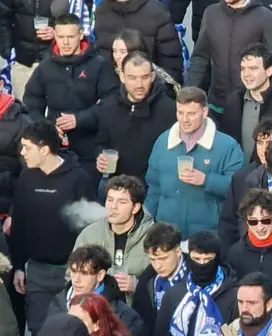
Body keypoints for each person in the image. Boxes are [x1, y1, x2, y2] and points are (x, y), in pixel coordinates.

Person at [9, 121, 95, 336]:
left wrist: (83, 269)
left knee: (69, 331)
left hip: (70, 271)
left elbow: (90, 228)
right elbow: (19, 224)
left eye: (27, 147)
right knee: (38, 332)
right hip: (37, 270)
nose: (22, 152)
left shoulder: (78, 179)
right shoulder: (27, 177)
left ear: (45, 149)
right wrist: (19, 266)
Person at [22, 13, 119, 182]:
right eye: (60, 37)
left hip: (90, 146)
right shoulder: (44, 67)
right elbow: (31, 103)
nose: (65, 42)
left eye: (70, 36)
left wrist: (79, 119)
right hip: (55, 147)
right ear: (54, 35)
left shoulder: (99, 65)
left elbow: (111, 102)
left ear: (81, 34)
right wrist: (48, 126)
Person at [144, 88, 245, 239]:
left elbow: (240, 189)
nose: (184, 119)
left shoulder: (227, 146)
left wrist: (206, 180)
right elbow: (153, 190)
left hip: (208, 236)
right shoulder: (163, 142)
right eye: (180, 112)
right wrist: (146, 227)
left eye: (191, 114)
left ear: (204, 112)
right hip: (167, 234)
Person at [93, 52, 177, 183]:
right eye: (132, 78)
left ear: (153, 77)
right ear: (122, 77)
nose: (139, 85)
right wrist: (101, 157)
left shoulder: (170, 109)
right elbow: (101, 143)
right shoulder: (108, 107)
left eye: (144, 77)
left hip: (154, 186)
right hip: (118, 185)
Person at [185, 0, 272, 113]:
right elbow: (200, 57)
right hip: (216, 103)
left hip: (251, 106)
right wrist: (187, 92)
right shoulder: (211, 13)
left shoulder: (266, 17)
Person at [47, 245, 146, 336]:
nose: (76, 279)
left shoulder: (124, 315)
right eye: (74, 271)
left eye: (84, 273)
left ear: (100, 275)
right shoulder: (58, 303)